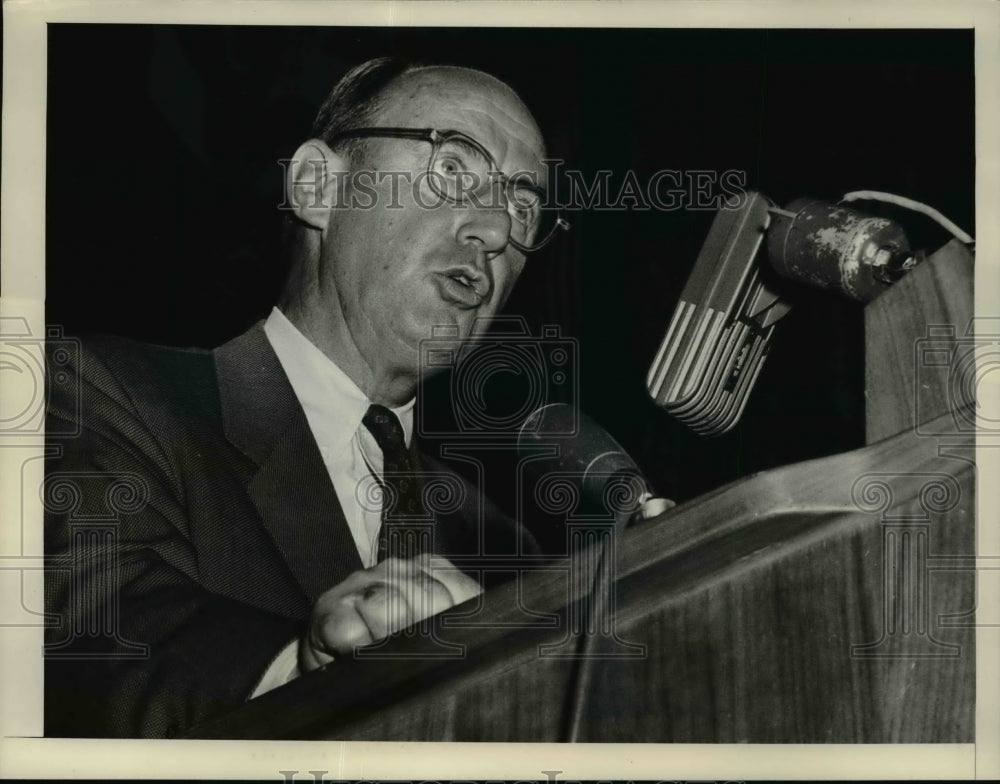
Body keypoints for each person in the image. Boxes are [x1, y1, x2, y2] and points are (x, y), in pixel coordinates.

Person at [43, 57, 564, 738]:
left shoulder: (510, 547)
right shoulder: (103, 391)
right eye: (453, 167)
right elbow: (93, 625)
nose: (495, 232)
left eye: (523, 207)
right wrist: (307, 675)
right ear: (319, 186)